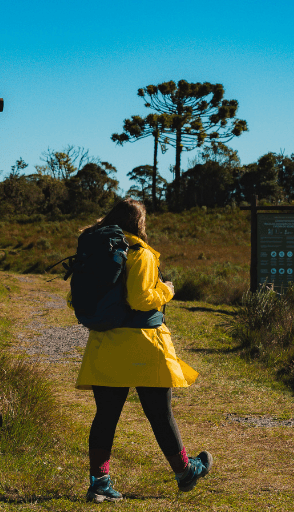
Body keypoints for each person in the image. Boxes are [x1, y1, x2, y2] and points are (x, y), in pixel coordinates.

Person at [74, 199, 212, 503]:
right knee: (161, 415)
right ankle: (185, 472)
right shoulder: (141, 253)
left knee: (105, 416)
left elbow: (78, 299)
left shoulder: (95, 251)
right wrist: (167, 290)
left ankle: (99, 483)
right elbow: (140, 298)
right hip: (144, 345)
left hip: (105, 344)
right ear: (140, 223)